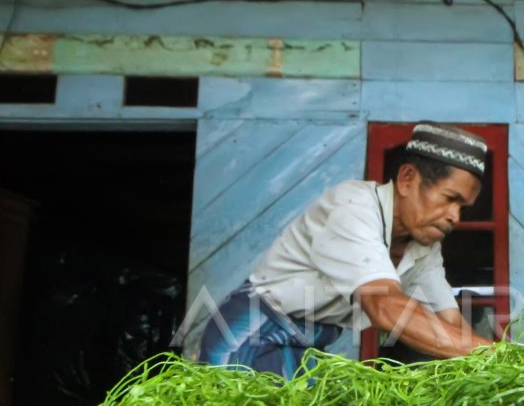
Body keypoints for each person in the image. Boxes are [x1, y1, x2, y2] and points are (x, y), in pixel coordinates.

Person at [198, 122, 493, 377]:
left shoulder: (423, 246)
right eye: (449, 198)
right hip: (251, 336)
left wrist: (506, 365)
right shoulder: (353, 207)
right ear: (407, 180)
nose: (455, 216)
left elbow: (449, 322)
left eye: (462, 207)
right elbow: (385, 306)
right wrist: (498, 357)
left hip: (303, 345)